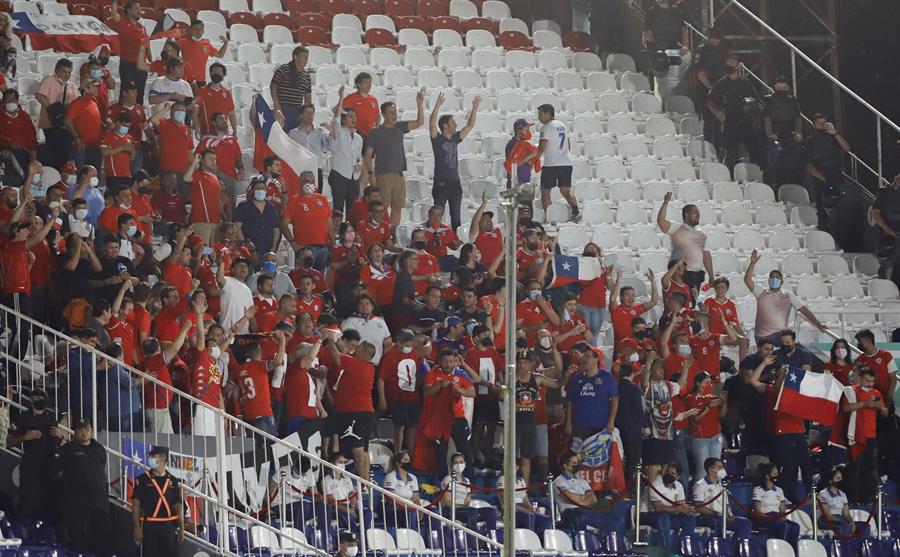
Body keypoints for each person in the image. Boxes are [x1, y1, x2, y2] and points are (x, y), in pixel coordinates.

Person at [745, 364, 812, 504]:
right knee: (788, 466)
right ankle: (784, 496)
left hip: (798, 431)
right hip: (781, 433)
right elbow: (753, 381)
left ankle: (808, 494)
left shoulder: (796, 392)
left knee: (805, 465)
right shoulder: (770, 390)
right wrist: (766, 366)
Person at [363, 90, 426, 229]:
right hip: (383, 174)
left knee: (397, 207)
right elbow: (368, 154)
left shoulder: (400, 127)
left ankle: (391, 234)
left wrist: (419, 104)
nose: (394, 115)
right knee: (382, 208)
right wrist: (370, 173)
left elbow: (420, 122)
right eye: (391, 112)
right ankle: (381, 233)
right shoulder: (375, 132)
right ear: (384, 114)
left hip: (398, 174)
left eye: (395, 112)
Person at [744, 249, 827, 343]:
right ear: (768, 280)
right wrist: (752, 263)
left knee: (799, 350)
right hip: (763, 336)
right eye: (772, 277)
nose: (774, 279)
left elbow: (803, 310)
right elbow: (747, 280)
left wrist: (818, 324)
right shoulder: (761, 293)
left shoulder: (788, 295)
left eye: (777, 277)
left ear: (782, 281)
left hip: (781, 336)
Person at [57, 419, 110, 556]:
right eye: (80, 429)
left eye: (86, 428)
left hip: (99, 501)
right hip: (78, 501)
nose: (84, 432)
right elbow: (58, 472)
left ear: (91, 430)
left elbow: (102, 466)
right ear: (75, 432)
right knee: (79, 536)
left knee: (101, 536)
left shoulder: (99, 448)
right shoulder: (68, 449)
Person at [8, 388, 62, 520]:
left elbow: (57, 442)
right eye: (36, 398)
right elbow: (9, 441)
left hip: (49, 466)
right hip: (30, 464)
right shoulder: (23, 417)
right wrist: (25, 437)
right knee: (27, 497)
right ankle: (21, 527)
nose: (39, 401)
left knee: (47, 500)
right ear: (32, 400)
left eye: (41, 398)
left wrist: (61, 435)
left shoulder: (51, 419)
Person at [429, 93, 481, 231]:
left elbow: (470, 125)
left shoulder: (455, 138)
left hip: (454, 182)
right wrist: (437, 106)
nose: (456, 124)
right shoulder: (437, 139)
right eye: (452, 123)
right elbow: (431, 123)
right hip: (441, 182)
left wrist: (475, 108)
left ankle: (455, 241)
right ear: (445, 126)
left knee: (456, 217)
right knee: (437, 215)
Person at [840, 365, 888, 503]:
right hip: (855, 435)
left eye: (872, 381)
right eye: (867, 380)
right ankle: (853, 499)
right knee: (855, 467)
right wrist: (865, 404)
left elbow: (884, 413)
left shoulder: (877, 393)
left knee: (870, 467)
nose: (869, 384)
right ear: (860, 379)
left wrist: (881, 408)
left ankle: (870, 499)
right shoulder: (851, 391)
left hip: (871, 436)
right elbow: (845, 408)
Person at [707, 55, 762, 169]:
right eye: (728, 64)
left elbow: (756, 101)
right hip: (729, 120)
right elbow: (710, 100)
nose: (730, 66)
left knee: (754, 150)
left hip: (746, 120)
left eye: (732, 64)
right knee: (731, 153)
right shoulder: (721, 83)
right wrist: (717, 112)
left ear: (738, 66)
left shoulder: (746, 82)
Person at [514, 348, 559, 485]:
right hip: (514, 423)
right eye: (520, 362)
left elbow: (557, 384)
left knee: (527, 457)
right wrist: (515, 378)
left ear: (530, 364)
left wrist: (567, 374)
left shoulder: (537, 378)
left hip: (530, 422)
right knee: (514, 457)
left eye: (525, 362)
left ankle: (524, 489)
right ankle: (512, 487)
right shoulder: (510, 377)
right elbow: (502, 394)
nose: (522, 365)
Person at [658, 193, 713, 299]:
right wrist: (665, 203)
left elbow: (706, 256)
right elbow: (661, 222)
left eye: (698, 213)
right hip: (681, 273)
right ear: (686, 215)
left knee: (692, 304)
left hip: (696, 275)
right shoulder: (678, 227)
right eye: (695, 213)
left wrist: (711, 276)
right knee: (679, 302)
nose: (698, 215)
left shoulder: (702, 234)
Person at [132, 446, 185, 557]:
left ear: (162, 459)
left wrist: (182, 528)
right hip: (149, 525)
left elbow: (178, 506)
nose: (150, 459)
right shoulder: (142, 479)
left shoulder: (173, 480)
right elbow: (136, 504)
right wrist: (136, 527)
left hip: (168, 527)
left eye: (153, 457)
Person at [554, 450, 625, 532]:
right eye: (573, 463)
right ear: (565, 466)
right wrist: (585, 498)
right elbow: (569, 498)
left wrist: (580, 499)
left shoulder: (582, 481)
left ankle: (609, 542)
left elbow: (593, 500)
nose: (576, 465)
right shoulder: (558, 482)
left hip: (588, 511)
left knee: (617, 519)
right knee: (582, 517)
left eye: (577, 462)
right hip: (570, 513)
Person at [802, 113, 851, 231]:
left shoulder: (832, 138)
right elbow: (808, 165)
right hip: (821, 180)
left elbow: (847, 149)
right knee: (823, 211)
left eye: (824, 123)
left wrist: (835, 133)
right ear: (813, 125)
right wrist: (824, 179)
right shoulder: (809, 141)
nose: (822, 126)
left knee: (840, 210)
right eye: (819, 124)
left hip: (837, 177)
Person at [565, 345, 618, 445]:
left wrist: (611, 421)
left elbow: (615, 399)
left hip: (600, 426)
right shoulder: (576, 378)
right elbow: (570, 401)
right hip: (579, 425)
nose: (584, 359)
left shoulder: (606, 376)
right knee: (578, 457)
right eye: (584, 356)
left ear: (596, 360)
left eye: (588, 357)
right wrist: (568, 423)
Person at [281, 171, 333, 271]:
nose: (309, 184)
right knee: (303, 278)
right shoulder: (294, 200)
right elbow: (283, 223)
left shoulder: (322, 199)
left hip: (323, 247)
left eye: (312, 181)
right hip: (304, 249)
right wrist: (292, 243)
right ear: (300, 182)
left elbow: (329, 221)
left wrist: (333, 241)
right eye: (306, 181)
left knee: (319, 280)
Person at [536, 104, 579, 221]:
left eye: (540, 114)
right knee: (565, 191)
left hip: (551, 165)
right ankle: (575, 209)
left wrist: (535, 159)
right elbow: (568, 145)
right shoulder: (563, 126)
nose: (538, 117)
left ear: (546, 113)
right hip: (566, 163)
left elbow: (542, 145)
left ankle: (548, 217)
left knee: (545, 191)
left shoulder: (546, 127)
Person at [693, 457, 752, 538]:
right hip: (707, 517)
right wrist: (718, 514)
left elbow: (726, 505)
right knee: (719, 522)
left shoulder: (721, 486)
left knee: (745, 523)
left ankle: (737, 546)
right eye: (719, 467)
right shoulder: (700, 485)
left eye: (722, 467)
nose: (722, 470)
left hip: (723, 517)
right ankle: (721, 545)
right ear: (710, 469)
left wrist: (729, 515)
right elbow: (698, 507)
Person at [685, 371, 726, 484]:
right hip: (700, 438)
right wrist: (708, 407)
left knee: (717, 468)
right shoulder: (691, 398)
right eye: (706, 382)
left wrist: (724, 403)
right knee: (703, 468)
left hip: (715, 436)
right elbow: (696, 419)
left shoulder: (713, 397)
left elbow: (721, 415)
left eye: (710, 383)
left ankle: (717, 496)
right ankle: (699, 496)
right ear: (698, 383)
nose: (709, 385)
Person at [329, 86, 364, 217]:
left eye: (354, 116)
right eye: (350, 116)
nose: (353, 119)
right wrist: (341, 97)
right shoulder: (339, 132)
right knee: (338, 208)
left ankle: (349, 235)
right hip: (339, 174)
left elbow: (358, 156)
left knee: (352, 210)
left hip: (354, 176)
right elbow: (336, 118)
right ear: (344, 120)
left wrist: (360, 164)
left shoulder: (359, 138)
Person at [646, 462, 697, 551]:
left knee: (690, 518)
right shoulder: (656, 484)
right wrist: (679, 509)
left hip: (669, 516)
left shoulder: (678, 485)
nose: (669, 475)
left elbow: (681, 505)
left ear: (677, 477)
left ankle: (685, 548)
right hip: (649, 515)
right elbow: (658, 508)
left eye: (673, 474)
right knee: (663, 516)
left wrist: (687, 509)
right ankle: (665, 551)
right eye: (668, 472)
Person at [762, 76, 803, 187]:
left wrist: (798, 132)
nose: (781, 90)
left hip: (789, 133)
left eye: (784, 87)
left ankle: (791, 185)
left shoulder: (792, 100)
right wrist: (769, 133)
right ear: (774, 87)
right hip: (775, 134)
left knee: (792, 162)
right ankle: (774, 186)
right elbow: (767, 117)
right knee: (774, 163)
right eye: (778, 87)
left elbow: (797, 117)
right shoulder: (769, 99)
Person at [440, 453, 497, 531]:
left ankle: (491, 538)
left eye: (461, 462)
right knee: (472, 512)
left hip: (466, 509)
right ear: (451, 465)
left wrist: (467, 504)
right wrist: (463, 507)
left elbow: (467, 500)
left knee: (490, 512)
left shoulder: (467, 481)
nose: (458, 465)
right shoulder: (448, 479)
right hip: (451, 510)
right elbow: (447, 502)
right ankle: (472, 540)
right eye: (456, 463)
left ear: (465, 464)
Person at [694, 28, 730, 143]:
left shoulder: (724, 51)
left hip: (722, 87)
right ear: (709, 38)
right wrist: (710, 87)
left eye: (717, 39)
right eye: (713, 38)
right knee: (708, 119)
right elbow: (700, 72)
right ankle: (709, 145)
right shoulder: (701, 51)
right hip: (707, 87)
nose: (715, 41)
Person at [751, 462, 800, 546]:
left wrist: (781, 517)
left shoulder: (779, 490)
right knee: (784, 526)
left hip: (777, 517)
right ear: (767, 476)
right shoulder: (758, 490)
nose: (777, 475)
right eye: (774, 473)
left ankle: (792, 550)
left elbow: (782, 510)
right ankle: (782, 550)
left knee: (795, 526)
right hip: (765, 518)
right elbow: (758, 511)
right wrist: (771, 518)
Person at [109, 0, 150, 101]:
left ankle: (138, 113)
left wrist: (150, 58)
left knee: (139, 93)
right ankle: (123, 113)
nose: (139, 10)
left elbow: (146, 44)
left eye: (140, 8)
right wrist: (114, 2)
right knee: (126, 91)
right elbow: (114, 15)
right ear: (128, 10)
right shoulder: (123, 22)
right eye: (136, 8)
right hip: (128, 64)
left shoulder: (141, 26)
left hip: (141, 64)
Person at [609, 270, 659, 346]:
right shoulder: (616, 310)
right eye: (628, 295)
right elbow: (612, 298)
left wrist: (653, 281)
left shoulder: (636, 309)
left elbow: (654, 302)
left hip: (637, 344)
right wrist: (619, 280)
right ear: (621, 298)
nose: (631, 298)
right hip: (622, 346)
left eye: (633, 295)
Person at [287, 104, 331, 191]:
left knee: (316, 197)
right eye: (307, 113)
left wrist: (330, 130)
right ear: (301, 115)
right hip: (299, 169)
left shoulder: (320, 132)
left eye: (312, 113)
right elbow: (288, 152)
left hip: (316, 169)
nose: (310, 116)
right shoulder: (292, 134)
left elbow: (329, 147)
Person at [234, 178, 281, 256]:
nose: (260, 190)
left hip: (268, 250)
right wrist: (244, 245)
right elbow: (237, 227)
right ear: (253, 190)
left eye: (263, 188)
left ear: (266, 190)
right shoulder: (243, 206)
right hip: (249, 250)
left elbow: (276, 229)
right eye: (258, 188)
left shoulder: (271, 207)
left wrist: (273, 248)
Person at [64, 78, 103, 169]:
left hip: (95, 146)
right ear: (86, 89)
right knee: (81, 173)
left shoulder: (93, 102)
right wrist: (76, 136)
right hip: (82, 147)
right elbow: (67, 120)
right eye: (94, 86)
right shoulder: (76, 104)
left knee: (94, 176)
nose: (97, 88)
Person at [271, 46, 312, 131]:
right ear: (296, 57)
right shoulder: (284, 69)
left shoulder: (306, 75)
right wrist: (277, 105)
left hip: (297, 110)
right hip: (283, 108)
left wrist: (306, 113)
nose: (306, 60)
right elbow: (273, 86)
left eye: (307, 57)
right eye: (304, 57)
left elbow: (308, 96)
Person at [178, 19, 229, 84]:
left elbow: (220, 55)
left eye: (201, 29)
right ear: (190, 30)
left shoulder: (207, 44)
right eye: (196, 29)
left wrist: (226, 43)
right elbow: (170, 50)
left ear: (203, 31)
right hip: (185, 79)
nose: (198, 31)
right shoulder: (183, 42)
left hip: (200, 80)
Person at [872, 174, 900, 286]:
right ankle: (884, 287)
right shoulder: (884, 193)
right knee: (887, 264)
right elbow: (875, 213)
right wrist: (887, 229)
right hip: (887, 235)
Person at [382, 450, 421, 528]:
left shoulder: (413, 477)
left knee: (433, 511)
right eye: (406, 460)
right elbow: (391, 499)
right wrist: (409, 507)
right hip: (395, 508)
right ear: (398, 464)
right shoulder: (390, 476)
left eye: (409, 460)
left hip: (409, 507)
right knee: (410, 513)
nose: (409, 463)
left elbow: (416, 498)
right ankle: (411, 536)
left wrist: (419, 509)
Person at [342, 72, 380, 140]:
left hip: (370, 136)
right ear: (359, 84)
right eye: (365, 82)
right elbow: (340, 113)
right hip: (355, 136)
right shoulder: (350, 98)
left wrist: (376, 127)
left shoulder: (373, 99)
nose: (369, 85)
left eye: (370, 82)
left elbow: (377, 115)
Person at [818, 467, 855, 535]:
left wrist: (851, 522)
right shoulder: (823, 494)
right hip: (827, 520)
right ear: (831, 481)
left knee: (864, 526)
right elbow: (828, 516)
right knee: (844, 527)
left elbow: (846, 513)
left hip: (841, 519)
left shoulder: (843, 494)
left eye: (841, 478)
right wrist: (843, 522)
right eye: (838, 478)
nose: (840, 480)